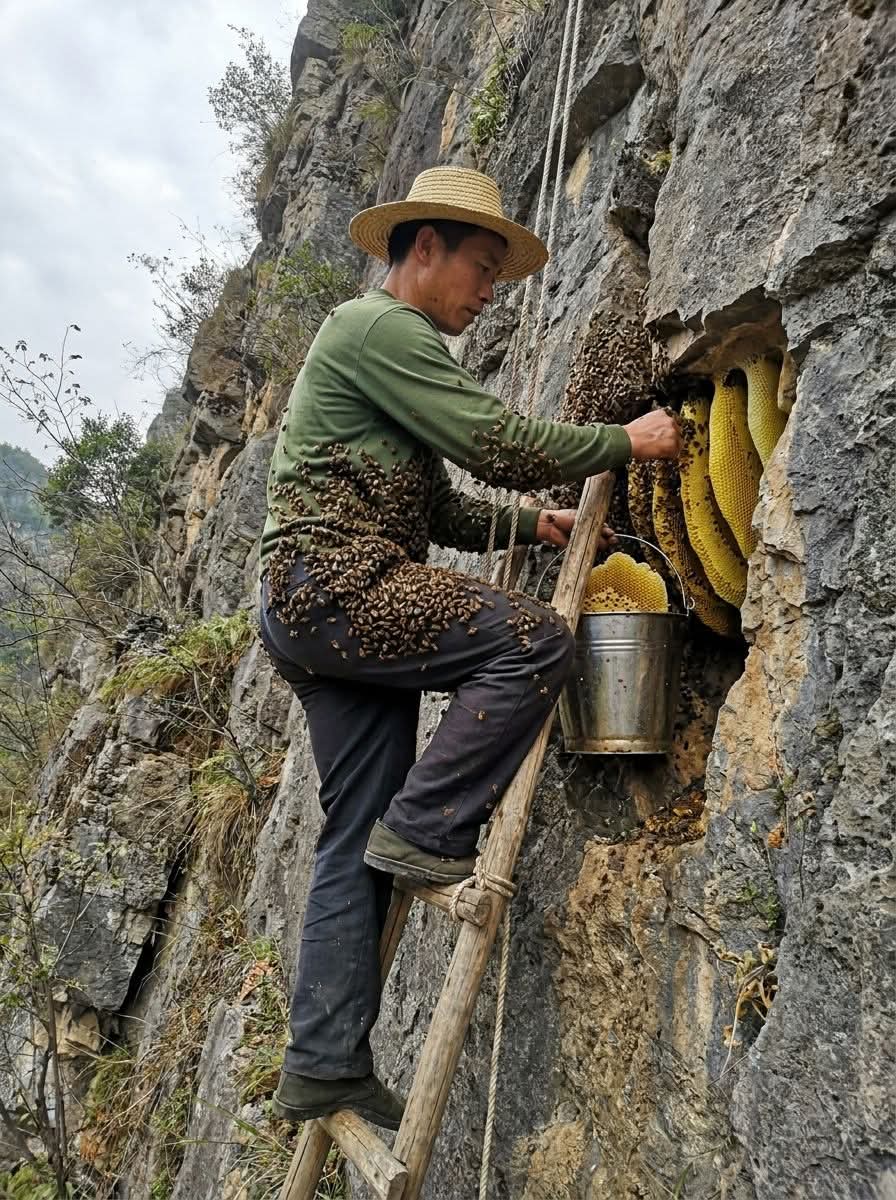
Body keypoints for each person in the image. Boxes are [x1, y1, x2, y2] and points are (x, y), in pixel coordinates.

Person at [256, 166, 681, 1130]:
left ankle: (323, 1063)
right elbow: (498, 442)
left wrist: (531, 525)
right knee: (534, 640)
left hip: (310, 609)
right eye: (483, 268)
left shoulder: (377, 351)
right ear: (424, 248)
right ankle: (429, 831)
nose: (491, 293)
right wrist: (625, 439)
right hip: (340, 586)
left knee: (352, 836)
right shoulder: (381, 328)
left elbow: (439, 506)